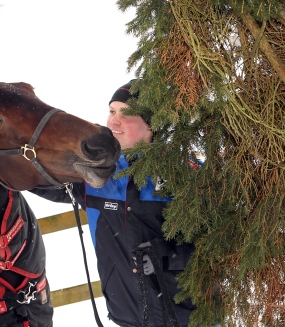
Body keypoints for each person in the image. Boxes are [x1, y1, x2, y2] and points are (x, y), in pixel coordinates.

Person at [30, 80, 195, 327]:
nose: (113, 122)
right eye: (111, 111)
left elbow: (219, 243)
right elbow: (37, 179)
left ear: (151, 123)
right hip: (126, 318)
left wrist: (165, 255)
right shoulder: (96, 176)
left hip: (189, 318)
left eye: (125, 113)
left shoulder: (184, 173)